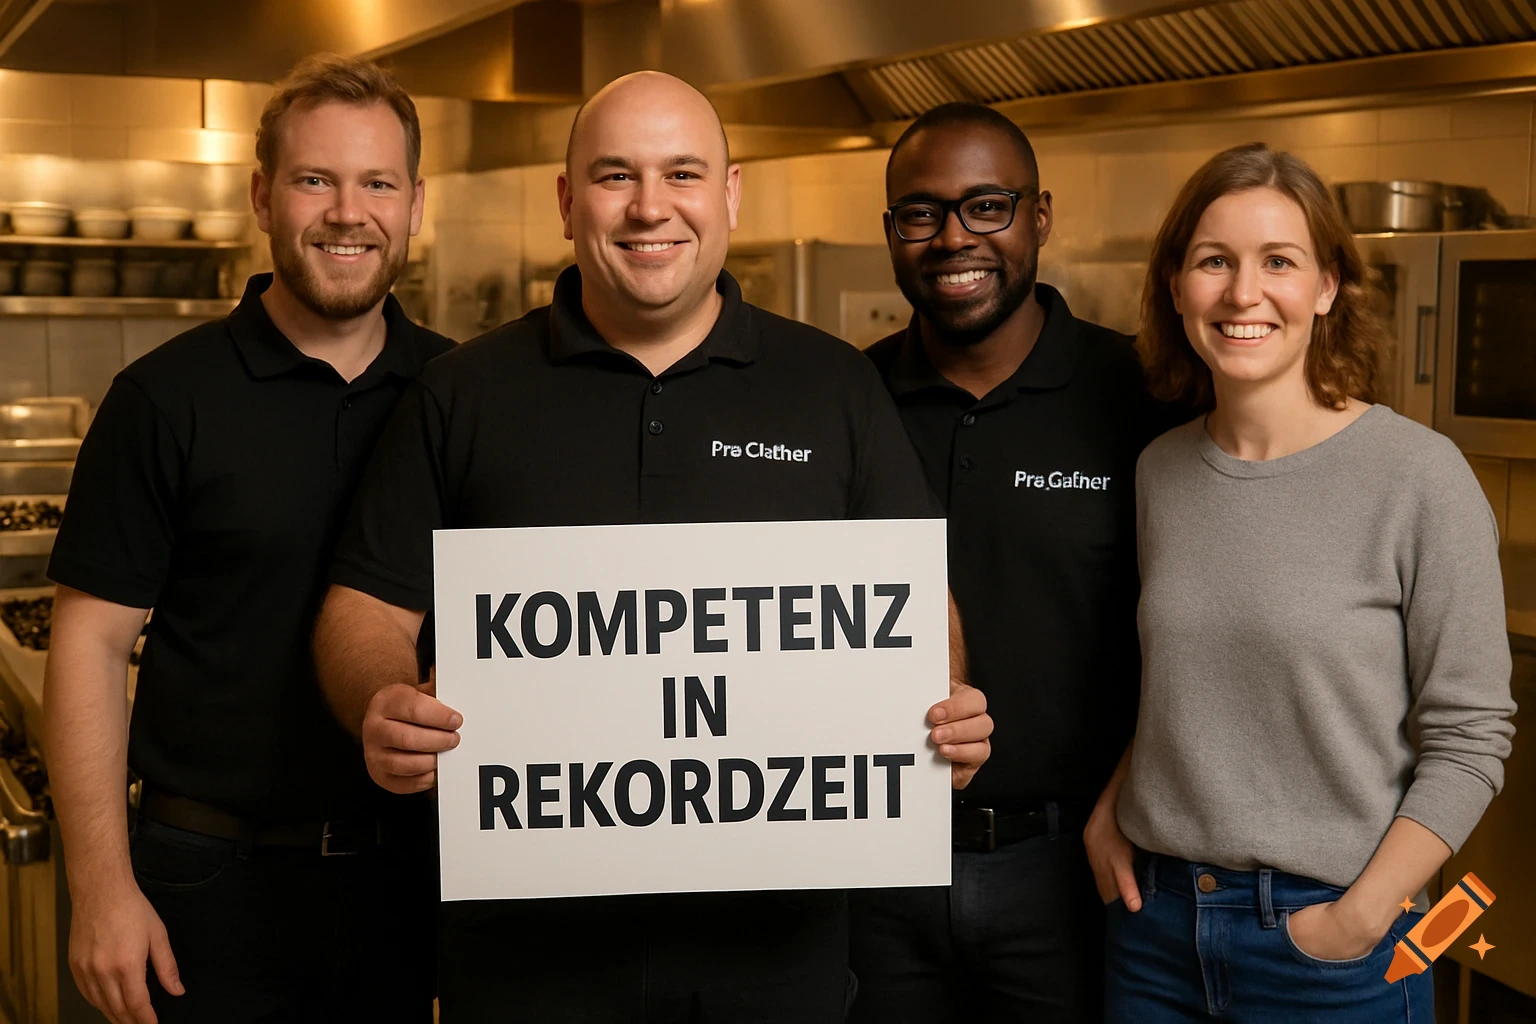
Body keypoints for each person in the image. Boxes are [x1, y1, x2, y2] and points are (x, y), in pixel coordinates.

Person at [311, 71, 992, 1024]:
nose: (649, 208)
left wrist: (943, 706)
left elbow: (916, 603)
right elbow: (368, 606)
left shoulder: (833, 387)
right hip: (526, 961)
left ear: (729, 195)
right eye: (614, 176)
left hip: (776, 957)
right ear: (565, 202)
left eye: (682, 172)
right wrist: (380, 699)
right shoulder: (462, 394)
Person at [43, 55, 452, 1024]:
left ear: (415, 204)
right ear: (263, 195)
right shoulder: (165, 398)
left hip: (409, 876)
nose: (348, 212)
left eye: (377, 183)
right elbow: (91, 647)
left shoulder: (460, 392)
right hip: (205, 880)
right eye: (316, 179)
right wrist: (101, 889)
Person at [1085, 142, 1517, 1023]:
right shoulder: (1161, 471)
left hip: (1329, 951)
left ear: (1327, 287)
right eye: (1215, 262)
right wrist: (1112, 807)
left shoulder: (1417, 477)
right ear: (1176, 287)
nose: (1244, 294)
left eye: (1278, 261)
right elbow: (1192, 685)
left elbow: (1472, 740)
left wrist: (1358, 921)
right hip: (1154, 932)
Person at [852, 103, 1174, 1023]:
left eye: (987, 206)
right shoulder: (845, 401)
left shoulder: (1143, 395)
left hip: (1075, 873)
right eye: (920, 214)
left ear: (1040, 215)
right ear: (891, 234)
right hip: (873, 873)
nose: (953, 237)